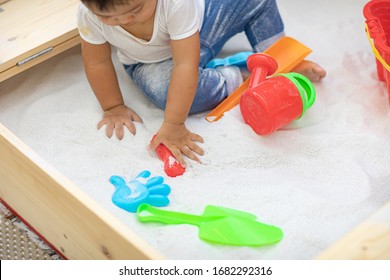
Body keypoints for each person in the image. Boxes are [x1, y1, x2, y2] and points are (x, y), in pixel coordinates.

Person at [77, 0, 326, 168]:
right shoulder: (90, 16)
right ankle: (242, 76)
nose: (124, 20)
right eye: (108, 17)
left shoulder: (175, 4)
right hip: (149, 62)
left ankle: (277, 57)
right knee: (171, 95)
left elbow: (186, 64)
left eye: (136, 9)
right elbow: (97, 63)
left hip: (202, 27)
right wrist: (112, 107)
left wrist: (174, 124)